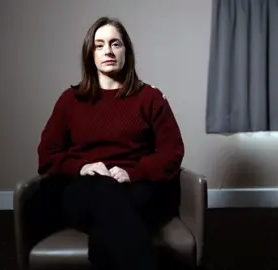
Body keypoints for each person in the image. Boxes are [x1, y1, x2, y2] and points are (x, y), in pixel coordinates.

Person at [36, 16, 184, 270]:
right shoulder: (70, 100)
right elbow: (47, 154)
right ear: (90, 53)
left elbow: (173, 151)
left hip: (138, 186)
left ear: (126, 51)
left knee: (108, 228)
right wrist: (82, 167)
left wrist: (133, 172)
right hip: (83, 189)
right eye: (100, 44)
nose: (108, 51)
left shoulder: (150, 97)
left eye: (115, 44)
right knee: (104, 192)